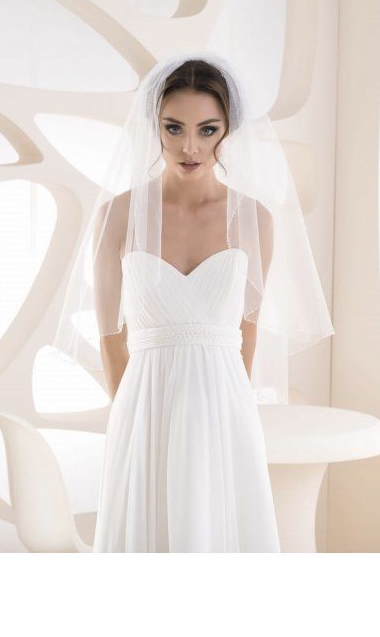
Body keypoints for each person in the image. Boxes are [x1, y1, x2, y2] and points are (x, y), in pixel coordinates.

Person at [54, 52, 333, 552]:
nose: (189, 146)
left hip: (224, 408)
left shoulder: (255, 218)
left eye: (207, 130)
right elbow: (111, 338)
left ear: (229, 130)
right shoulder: (117, 216)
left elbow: (247, 335)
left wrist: (231, 417)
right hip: (144, 406)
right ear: (154, 127)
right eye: (174, 128)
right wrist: (131, 421)